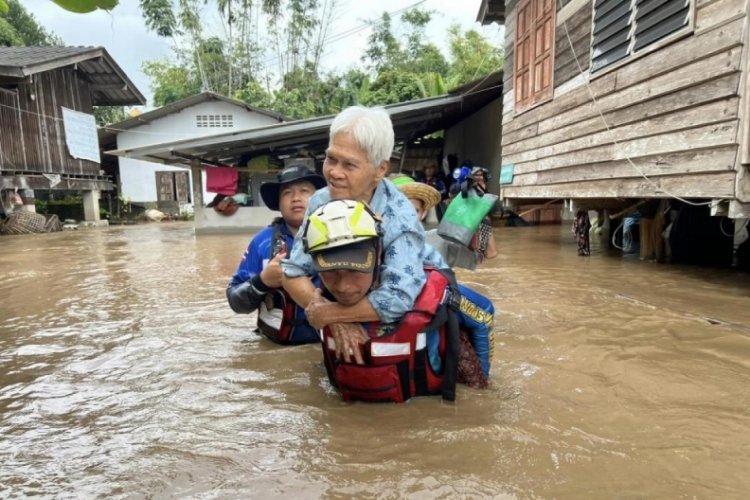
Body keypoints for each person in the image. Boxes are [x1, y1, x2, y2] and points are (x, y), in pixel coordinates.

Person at [281, 106, 447, 350]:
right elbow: (292, 272)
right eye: (331, 159)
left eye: (349, 165)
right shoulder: (319, 202)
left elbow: (398, 298)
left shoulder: (399, 215)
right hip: (354, 301)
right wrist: (336, 317)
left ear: (380, 170)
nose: (334, 173)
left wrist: (331, 315)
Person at [302, 199, 493, 403]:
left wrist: (481, 383)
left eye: (354, 270)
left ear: (378, 255)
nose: (343, 286)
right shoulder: (317, 299)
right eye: (330, 273)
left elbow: (484, 313)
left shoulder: (427, 287)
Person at [226, 165, 326, 344]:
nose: (296, 198)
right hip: (275, 346)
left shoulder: (339, 235)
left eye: (304, 191)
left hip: (326, 346)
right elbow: (235, 302)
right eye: (287, 193)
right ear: (278, 203)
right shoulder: (261, 242)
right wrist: (262, 281)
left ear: (320, 198)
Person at [393, 175, 497, 270]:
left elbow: (486, 256)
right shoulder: (379, 245)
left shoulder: (439, 239)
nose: (407, 216)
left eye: (415, 211)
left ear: (423, 213)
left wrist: (481, 219)